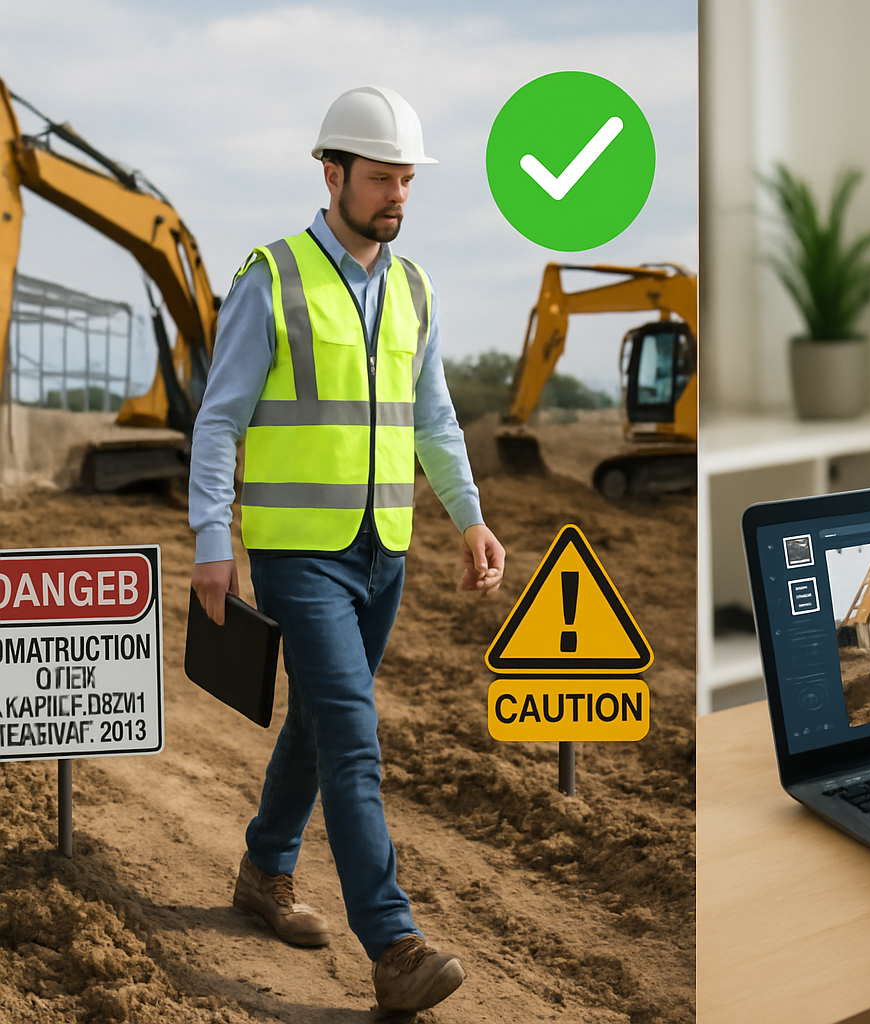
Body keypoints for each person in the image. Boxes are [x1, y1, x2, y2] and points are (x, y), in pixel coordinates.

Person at [189, 85, 505, 1014]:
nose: (396, 195)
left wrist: (471, 516)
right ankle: (394, 943)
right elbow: (219, 421)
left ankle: (263, 870)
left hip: (384, 552)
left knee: (319, 725)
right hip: (300, 553)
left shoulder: (414, 288)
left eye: (407, 178)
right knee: (354, 739)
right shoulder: (272, 276)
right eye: (380, 178)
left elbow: (434, 421)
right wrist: (216, 538)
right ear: (332, 175)